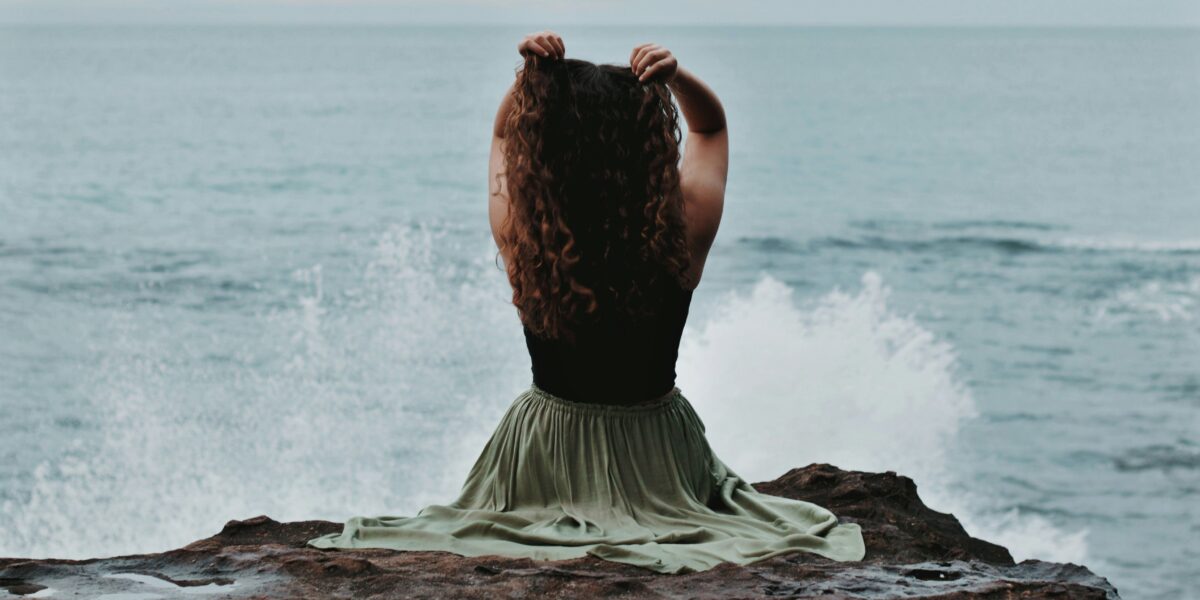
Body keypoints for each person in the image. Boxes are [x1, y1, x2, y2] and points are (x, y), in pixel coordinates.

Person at [307, 31, 866, 574]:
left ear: (545, 146)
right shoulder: (681, 226)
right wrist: (677, 77)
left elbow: (502, 138)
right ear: (647, 144)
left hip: (544, 454)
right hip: (660, 457)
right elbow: (712, 127)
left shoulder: (525, 230)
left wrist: (532, 80)